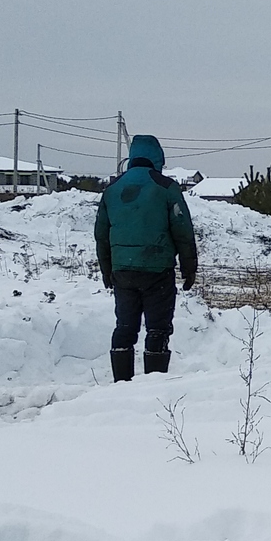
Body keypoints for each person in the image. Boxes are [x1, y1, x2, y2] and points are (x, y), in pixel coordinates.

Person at [94, 135, 198, 382]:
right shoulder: (166, 187)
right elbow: (182, 230)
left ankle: (121, 384)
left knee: (125, 327)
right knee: (157, 329)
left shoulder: (112, 190)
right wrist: (189, 267)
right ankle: (153, 385)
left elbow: (101, 234)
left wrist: (106, 269)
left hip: (122, 271)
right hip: (157, 270)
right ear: (158, 158)